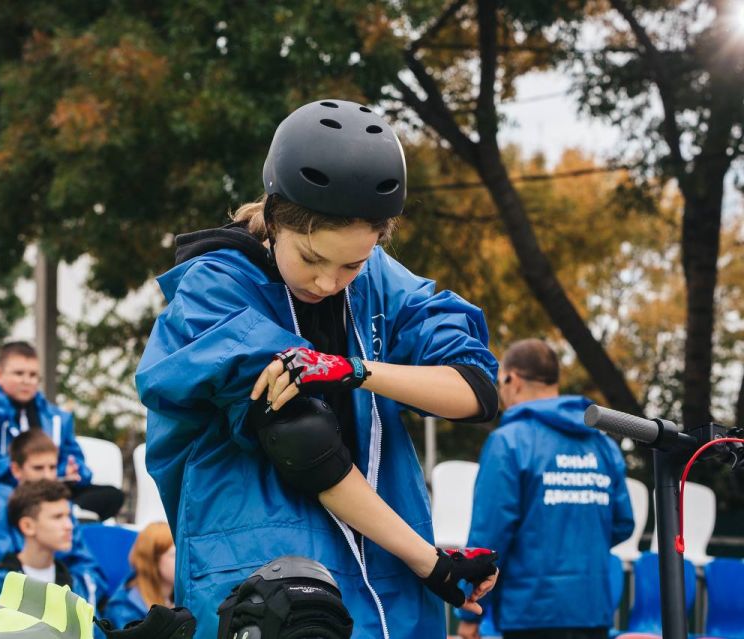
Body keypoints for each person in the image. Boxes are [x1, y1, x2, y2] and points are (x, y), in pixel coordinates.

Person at [136, 99, 500, 639]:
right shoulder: (215, 292)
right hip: (268, 579)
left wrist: (354, 369)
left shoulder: (381, 280)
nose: (329, 282)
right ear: (277, 219)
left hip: (385, 583)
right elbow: (306, 446)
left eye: (352, 264)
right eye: (311, 259)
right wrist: (432, 562)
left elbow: (475, 389)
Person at [457, 339, 635, 639]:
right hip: (593, 608)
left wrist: (467, 610)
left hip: (530, 610)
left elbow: (489, 534)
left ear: (511, 379)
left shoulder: (509, 442)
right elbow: (622, 523)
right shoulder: (603, 445)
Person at [0, 341, 124, 520]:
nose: (27, 380)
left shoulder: (55, 416)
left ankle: (60, 513)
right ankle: (57, 514)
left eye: (33, 375)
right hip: (4, 490)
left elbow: (77, 461)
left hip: (51, 487)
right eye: (19, 373)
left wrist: (74, 472)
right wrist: (32, 473)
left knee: (111, 495)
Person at [0, 428, 108, 607]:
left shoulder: (63, 504)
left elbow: (87, 566)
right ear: (16, 470)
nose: (48, 476)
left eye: (53, 467)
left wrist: (70, 592)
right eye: (38, 468)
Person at [0, 479, 76, 599]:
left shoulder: (72, 579)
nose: (69, 525)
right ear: (27, 526)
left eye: (68, 516)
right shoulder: (0, 582)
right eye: (57, 517)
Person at [103, 522, 175, 629]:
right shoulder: (123, 611)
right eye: (174, 555)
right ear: (153, 560)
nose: (183, 561)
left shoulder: (179, 598)